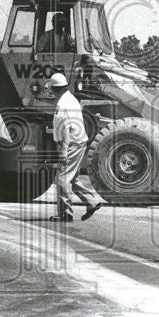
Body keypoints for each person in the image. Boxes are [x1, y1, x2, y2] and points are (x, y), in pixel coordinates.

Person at [49, 72, 103, 222]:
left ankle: (65, 213)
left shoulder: (63, 104)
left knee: (62, 179)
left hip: (71, 144)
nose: (52, 93)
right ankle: (92, 202)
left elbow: (68, 129)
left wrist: (64, 151)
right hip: (78, 142)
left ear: (57, 89)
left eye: (52, 90)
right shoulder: (71, 99)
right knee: (73, 179)